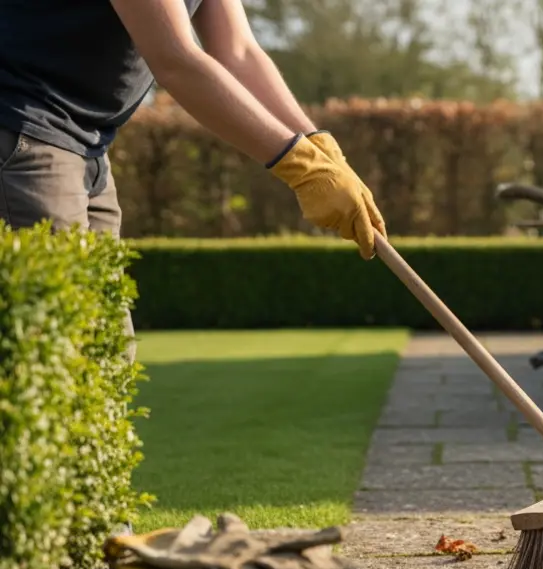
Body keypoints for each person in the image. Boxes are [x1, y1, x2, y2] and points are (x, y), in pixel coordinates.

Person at [0, 0, 387, 362]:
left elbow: (238, 52)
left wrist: (320, 149)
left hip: (85, 145)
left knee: (108, 359)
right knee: (59, 356)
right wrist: (301, 165)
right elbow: (177, 59)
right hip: (23, 130)